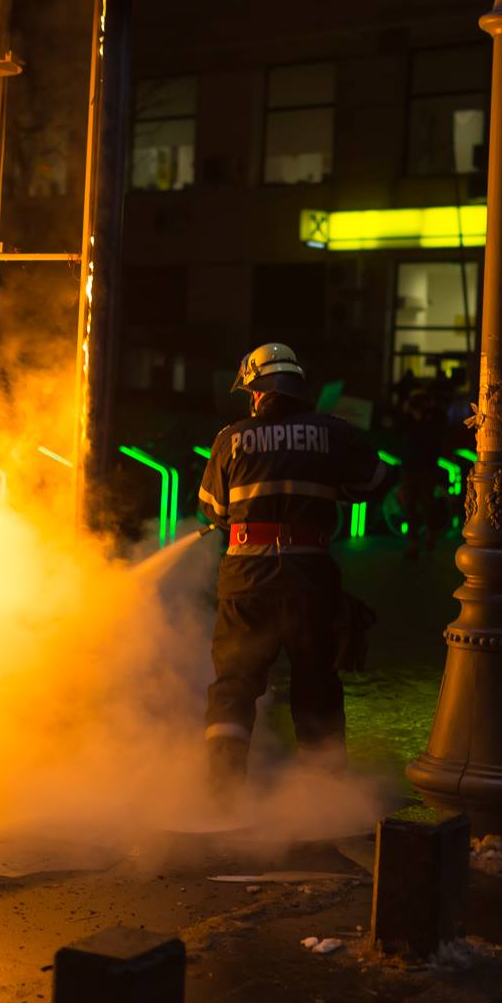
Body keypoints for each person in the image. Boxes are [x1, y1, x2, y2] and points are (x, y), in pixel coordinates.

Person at [196, 342, 383, 800]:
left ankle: (221, 794)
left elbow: (215, 510)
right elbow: (375, 482)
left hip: (246, 583)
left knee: (234, 689)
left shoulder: (230, 438)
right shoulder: (334, 434)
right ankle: (323, 798)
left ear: (258, 392)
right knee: (317, 685)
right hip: (309, 581)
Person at [395, 387, 445, 560]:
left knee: (427, 503)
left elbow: (437, 435)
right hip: (409, 466)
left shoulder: (433, 417)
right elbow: (397, 429)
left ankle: (430, 533)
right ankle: (413, 543)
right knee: (409, 506)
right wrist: (408, 411)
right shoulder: (407, 418)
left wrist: (424, 415)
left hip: (427, 467)